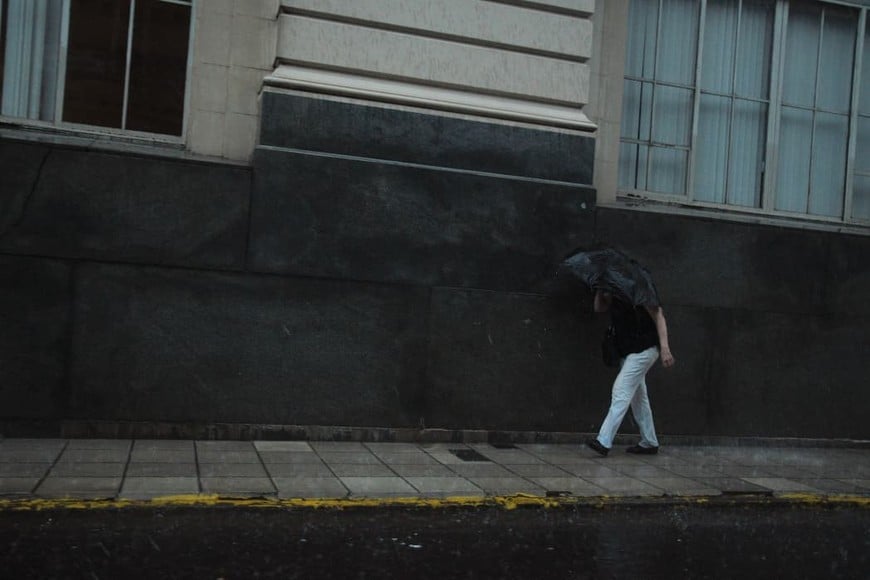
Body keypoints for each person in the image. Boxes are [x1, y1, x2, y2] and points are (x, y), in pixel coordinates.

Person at [586, 290, 675, 457]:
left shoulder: (638, 291)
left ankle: (603, 441)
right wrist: (600, 292)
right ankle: (649, 442)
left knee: (621, 390)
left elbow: (659, 315)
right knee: (639, 398)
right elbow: (599, 308)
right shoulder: (614, 291)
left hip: (644, 349)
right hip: (628, 352)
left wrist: (665, 348)